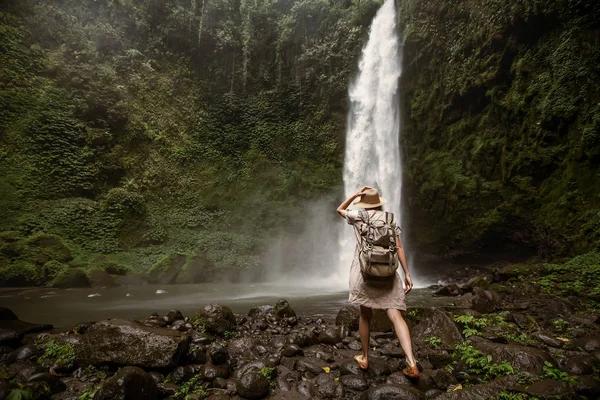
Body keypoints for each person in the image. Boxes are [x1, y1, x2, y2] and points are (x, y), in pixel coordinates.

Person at [337, 186, 419, 379]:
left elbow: (340, 209)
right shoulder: (391, 218)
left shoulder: (358, 216)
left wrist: (354, 195)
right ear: (379, 204)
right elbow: (399, 247)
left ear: (364, 204)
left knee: (365, 315)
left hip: (364, 272)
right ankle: (411, 362)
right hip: (389, 273)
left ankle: (365, 357)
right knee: (396, 316)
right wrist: (407, 274)